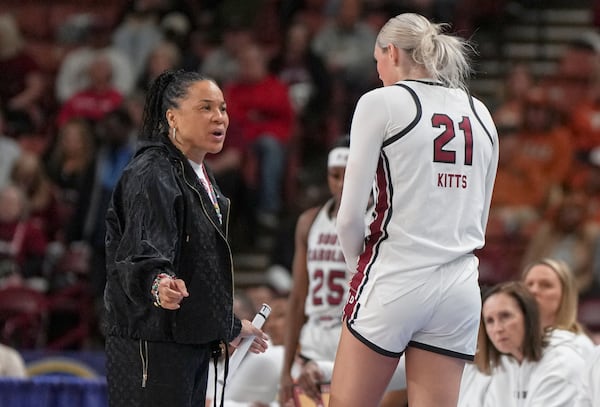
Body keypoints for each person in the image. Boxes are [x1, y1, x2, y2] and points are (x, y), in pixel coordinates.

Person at [331, 13, 499, 407]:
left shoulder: (382, 102)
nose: (379, 74)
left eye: (378, 64)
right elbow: (481, 215)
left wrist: (359, 266)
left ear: (391, 53)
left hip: (396, 276)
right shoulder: (481, 113)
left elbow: (349, 217)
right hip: (459, 286)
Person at [104, 70, 268, 407]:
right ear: (172, 117)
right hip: (151, 346)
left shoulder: (201, 176)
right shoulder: (152, 172)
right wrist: (158, 282)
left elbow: (199, 271)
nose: (219, 117)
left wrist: (230, 326)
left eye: (222, 108)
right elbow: (142, 249)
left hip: (186, 344)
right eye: (205, 108)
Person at [278, 138, 351, 405]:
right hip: (311, 346)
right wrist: (286, 370)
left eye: (349, 174)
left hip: (352, 349)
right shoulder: (309, 222)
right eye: (335, 175)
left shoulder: (376, 219)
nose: (342, 183)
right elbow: (298, 297)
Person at [478, 282, 585, 406]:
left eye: (505, 316)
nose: (497, 328)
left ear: (529, 317)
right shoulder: (503, 365)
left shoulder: (561, 361)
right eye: (490, 321)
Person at [521, 258, 595, 356]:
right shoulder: (508, 343)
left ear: (565, 295)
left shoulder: (578, 346)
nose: (533, 290)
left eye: (546, 285)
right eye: (529, 284)